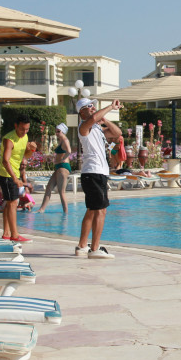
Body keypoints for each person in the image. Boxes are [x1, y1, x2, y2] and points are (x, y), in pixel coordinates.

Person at [75, 97, 123, 259]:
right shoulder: (84, 127)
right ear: (82, 112)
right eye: (89, 106)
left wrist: (105, 120)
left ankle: (82, 246)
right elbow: (94, 117)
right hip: (93, 172)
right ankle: (95, 249)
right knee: (101, 210)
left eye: (93, 105)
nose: (93, 107)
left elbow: (117, 134)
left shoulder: (97, 128)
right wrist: (110, 107)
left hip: (97, 173)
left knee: (91, 211)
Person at [0, 114, 36, 242]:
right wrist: (14, 178)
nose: (24, 132)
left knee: (10, 203)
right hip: (6, 174)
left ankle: (7, 233)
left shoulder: (25, 137)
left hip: (14, 174)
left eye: (27, 129)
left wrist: (31, 150)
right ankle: (14, 235)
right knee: (13, 203)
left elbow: (25, 156)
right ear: (16, 126)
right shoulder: (9, 139)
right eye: (22, 129)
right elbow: (5, 160)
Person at [38, 123, 72, 213]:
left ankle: (66, 212)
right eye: (56, 131)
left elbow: (69, 151)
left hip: (63, 167)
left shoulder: (65, 140)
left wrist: (63, 159)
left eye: (58, 131)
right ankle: (41, 209)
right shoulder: (61, 140)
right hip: (58, 167)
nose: (56, 133)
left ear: (63, 132)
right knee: (49, 188)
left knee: (61, 191)